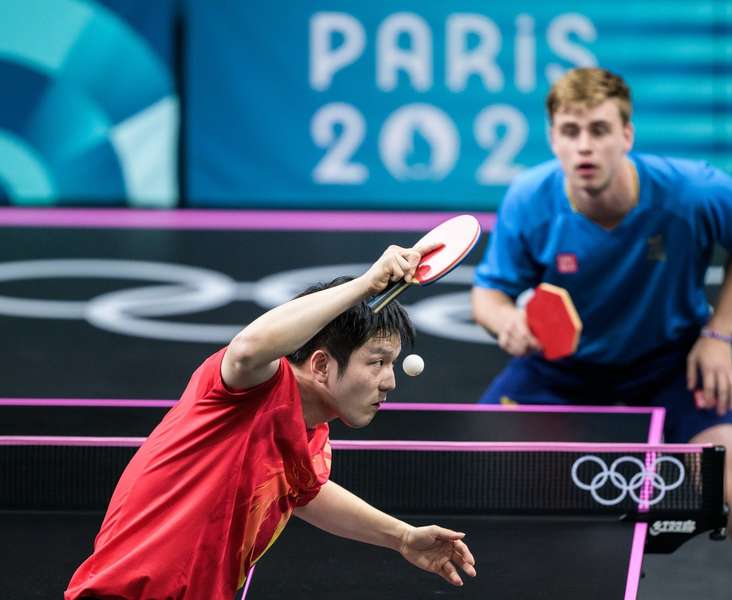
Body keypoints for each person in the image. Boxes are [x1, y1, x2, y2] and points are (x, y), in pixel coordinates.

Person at [471, 67, 732, 598]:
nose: (585, 146)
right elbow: (487, 295)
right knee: (471, 486)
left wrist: (719, 334)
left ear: (627, 135)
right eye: (571, 131)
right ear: (552, 137)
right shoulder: (529, 200)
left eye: (600, 130)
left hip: (670, 366)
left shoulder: (691, 191)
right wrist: (506, 322)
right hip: (559, 373)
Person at [65, 244, 477, 599]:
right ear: (320, 366)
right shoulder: (248, 390)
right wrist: (365, 286)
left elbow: (307, 492)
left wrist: (401, 537)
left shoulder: (311, 434)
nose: (389, 381)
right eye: (377, 362)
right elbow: (246, 348)